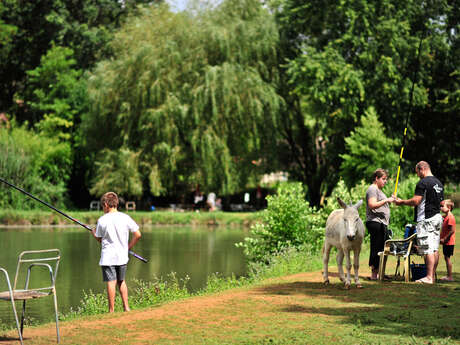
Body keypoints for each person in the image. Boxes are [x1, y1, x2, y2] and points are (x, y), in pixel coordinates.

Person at [395, 161, 444, 284]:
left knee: (427, 249)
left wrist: (401, 202)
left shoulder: (423, 183)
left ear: (422, 169)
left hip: (426, 220)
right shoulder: (439, 183)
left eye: (417, 172)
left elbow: (416, 201)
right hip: (437, 217)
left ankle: (428, 277)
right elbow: (442, 203)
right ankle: (432, 276)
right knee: (435, 249)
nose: (418, 175)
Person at [92, 192, 142, 312]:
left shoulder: (102, 220)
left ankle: (111, 310)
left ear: (105, 204)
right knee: (121, 281)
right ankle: (127, 307)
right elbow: (138, 234)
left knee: (111, 282)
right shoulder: (125, 217)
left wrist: (93, 233)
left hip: (108, 257)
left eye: (103, 206)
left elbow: (99, 239)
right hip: (122, 256)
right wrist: (128, 247)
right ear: (116, 203)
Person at [365, 169, 394, 280]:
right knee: (376, 248)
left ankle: (380, 273)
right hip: (375, 222)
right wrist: (386, 200)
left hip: (382, 223)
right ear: (376, 178)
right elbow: (372, 204)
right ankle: (374, 274)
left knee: (383, 248)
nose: (385, 181)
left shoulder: (379, 190)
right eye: (383, 179)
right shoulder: (372, 189)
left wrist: (390, 199)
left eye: (386, 179)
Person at [440, 199, 456, 281]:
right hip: (446, 242)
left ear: (449, 207)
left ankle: (450, 276)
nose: (441, 208)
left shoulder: (450, 217)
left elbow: (452, 230)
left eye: (442, 206)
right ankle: (448, 275)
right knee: (446, 258)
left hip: (448, 242)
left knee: (447, 258)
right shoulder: (446, 217)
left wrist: (445, 239)